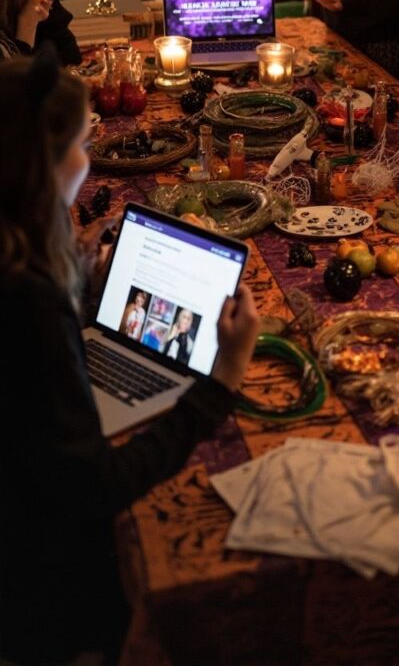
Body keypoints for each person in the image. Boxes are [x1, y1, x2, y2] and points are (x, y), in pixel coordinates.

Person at [0, 49, 260, 665]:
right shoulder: (27, 305)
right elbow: (95, 487)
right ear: (44, 165)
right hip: (40, 596)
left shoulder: (21, 263)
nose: (87, 160)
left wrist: (86, 301)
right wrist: (219, 382)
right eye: (80, 145)